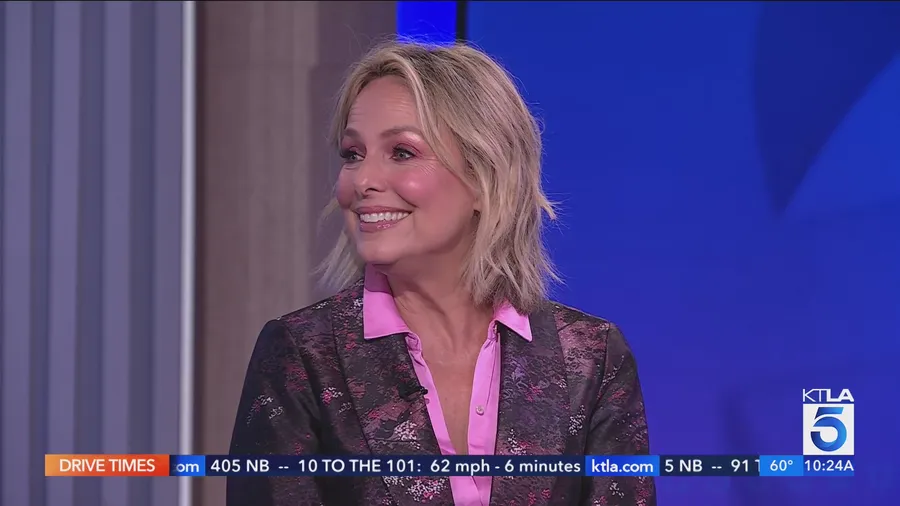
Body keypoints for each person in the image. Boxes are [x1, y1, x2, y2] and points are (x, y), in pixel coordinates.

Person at [227, 40, 656, 506]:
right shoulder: (302, 354)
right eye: (353, 154)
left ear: (484, 177)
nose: (362, 180)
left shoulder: (591, 358)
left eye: (401, 152)